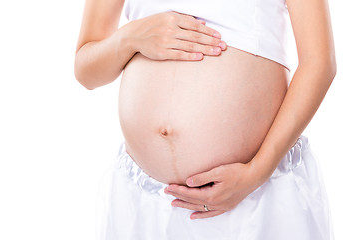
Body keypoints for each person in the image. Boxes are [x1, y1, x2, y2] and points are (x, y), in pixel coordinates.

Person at [74, 0, 336, 239]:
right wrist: (129, 38)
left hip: (253, 197)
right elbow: (86, 69)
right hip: (147, 204)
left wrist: (258, 170)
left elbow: (319, 62)